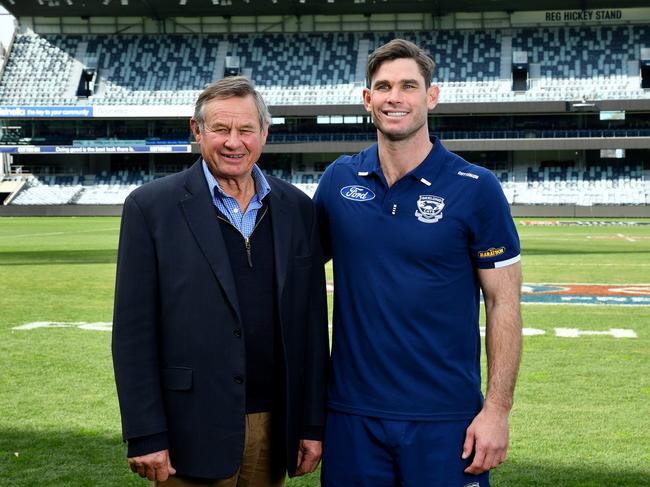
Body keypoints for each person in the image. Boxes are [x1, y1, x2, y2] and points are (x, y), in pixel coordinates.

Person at [314, 39, 522, 487]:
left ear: (431, 96)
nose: (395, 97)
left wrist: (497, 410)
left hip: (446, 419)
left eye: (409, 85)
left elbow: (503, 302)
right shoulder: (338, 180)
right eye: (383, 86)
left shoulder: (476, 187)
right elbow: (293, 271)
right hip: (352, 418)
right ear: (367, 99)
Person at [112, 76, 329, 487]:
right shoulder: (150, 207)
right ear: (197, 131)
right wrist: (145, 433)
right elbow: (132, 333)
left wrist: (312, 424)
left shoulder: (297, 208)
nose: (234, 142)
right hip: (189, 428)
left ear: (264, 133)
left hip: (273, 424)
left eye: (246, 130)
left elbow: (312, 328)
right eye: (221, 129)